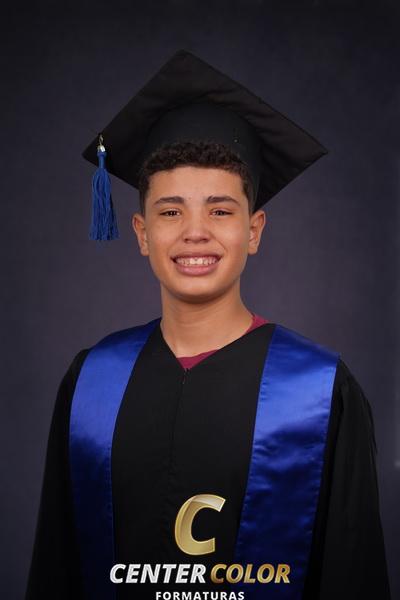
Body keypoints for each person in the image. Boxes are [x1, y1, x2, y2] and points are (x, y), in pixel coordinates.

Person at [25, 50, 391, 600]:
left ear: (254, 230)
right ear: (142, 232)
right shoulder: (92, 383)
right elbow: (56, 569)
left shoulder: (318, 393)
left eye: (220, 210)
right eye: (170, 211)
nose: (195, 232)